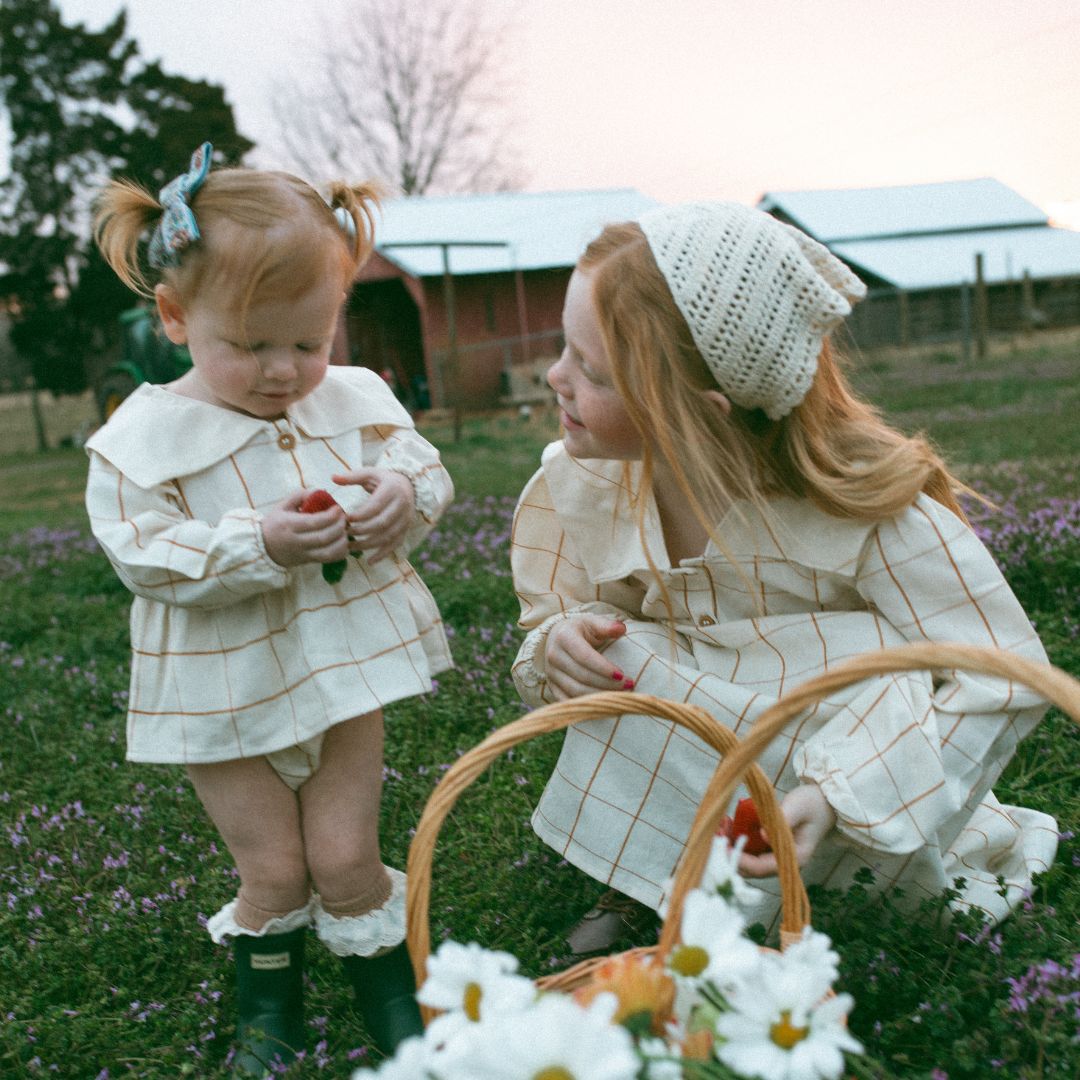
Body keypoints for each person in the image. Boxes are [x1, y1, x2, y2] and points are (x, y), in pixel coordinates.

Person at [510, 202, 1058, 954]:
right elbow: (552, 619)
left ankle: (827, 884)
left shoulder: (862, 511)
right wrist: (557, 645)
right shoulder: (583, 489)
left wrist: (840, 797)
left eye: (590, 371)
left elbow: (1007, 672)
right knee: (623, 650)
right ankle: (653, 881)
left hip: (829, 758)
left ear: (696, 415)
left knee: (880, 667)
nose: (555, 377)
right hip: (710, 733)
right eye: (562, 349)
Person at [86, 143, 453, 1073]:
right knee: (275, 869)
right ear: (174, 315)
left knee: (343, 859)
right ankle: (267, 1009)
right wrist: (256, 541)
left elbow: (420, 468)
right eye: (251, 346)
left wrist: (401, 500)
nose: (286, 372)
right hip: (223, 691)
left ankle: (392, 996)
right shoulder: (142, 437)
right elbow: (142, 553)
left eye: (310, 342)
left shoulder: (356, 399)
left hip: (341, 661)